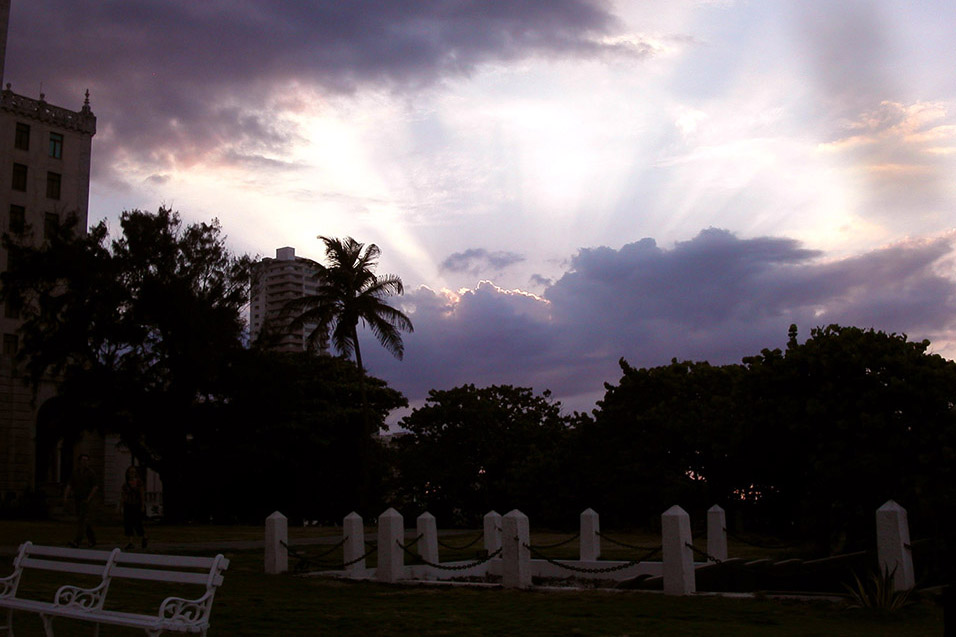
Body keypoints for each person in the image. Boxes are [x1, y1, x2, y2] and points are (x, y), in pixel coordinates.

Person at [63, 453, 98, 548]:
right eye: (83, 460)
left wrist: (89, 498)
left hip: (86, 500)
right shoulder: (75, 473)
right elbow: (70, 484)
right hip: (77, 499)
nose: (85, 462)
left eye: (87, 460)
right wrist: (66, 496)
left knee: (81, 520)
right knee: (84, 521)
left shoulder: (91, 473)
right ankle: (92, 539)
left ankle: (77, 541)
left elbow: (95, 487)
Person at [121, 465, 148, 549]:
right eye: (130, 472)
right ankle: (130, 541)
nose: (132, 474)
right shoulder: (125, 484)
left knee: (137, 523)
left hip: (136, 505)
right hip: (128, 505)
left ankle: (144, 536)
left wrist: (142, 505)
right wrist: (121, 506)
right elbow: (123, 496)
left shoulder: (139, 483)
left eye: (133, 472)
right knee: (128, 523)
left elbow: (142, 494)